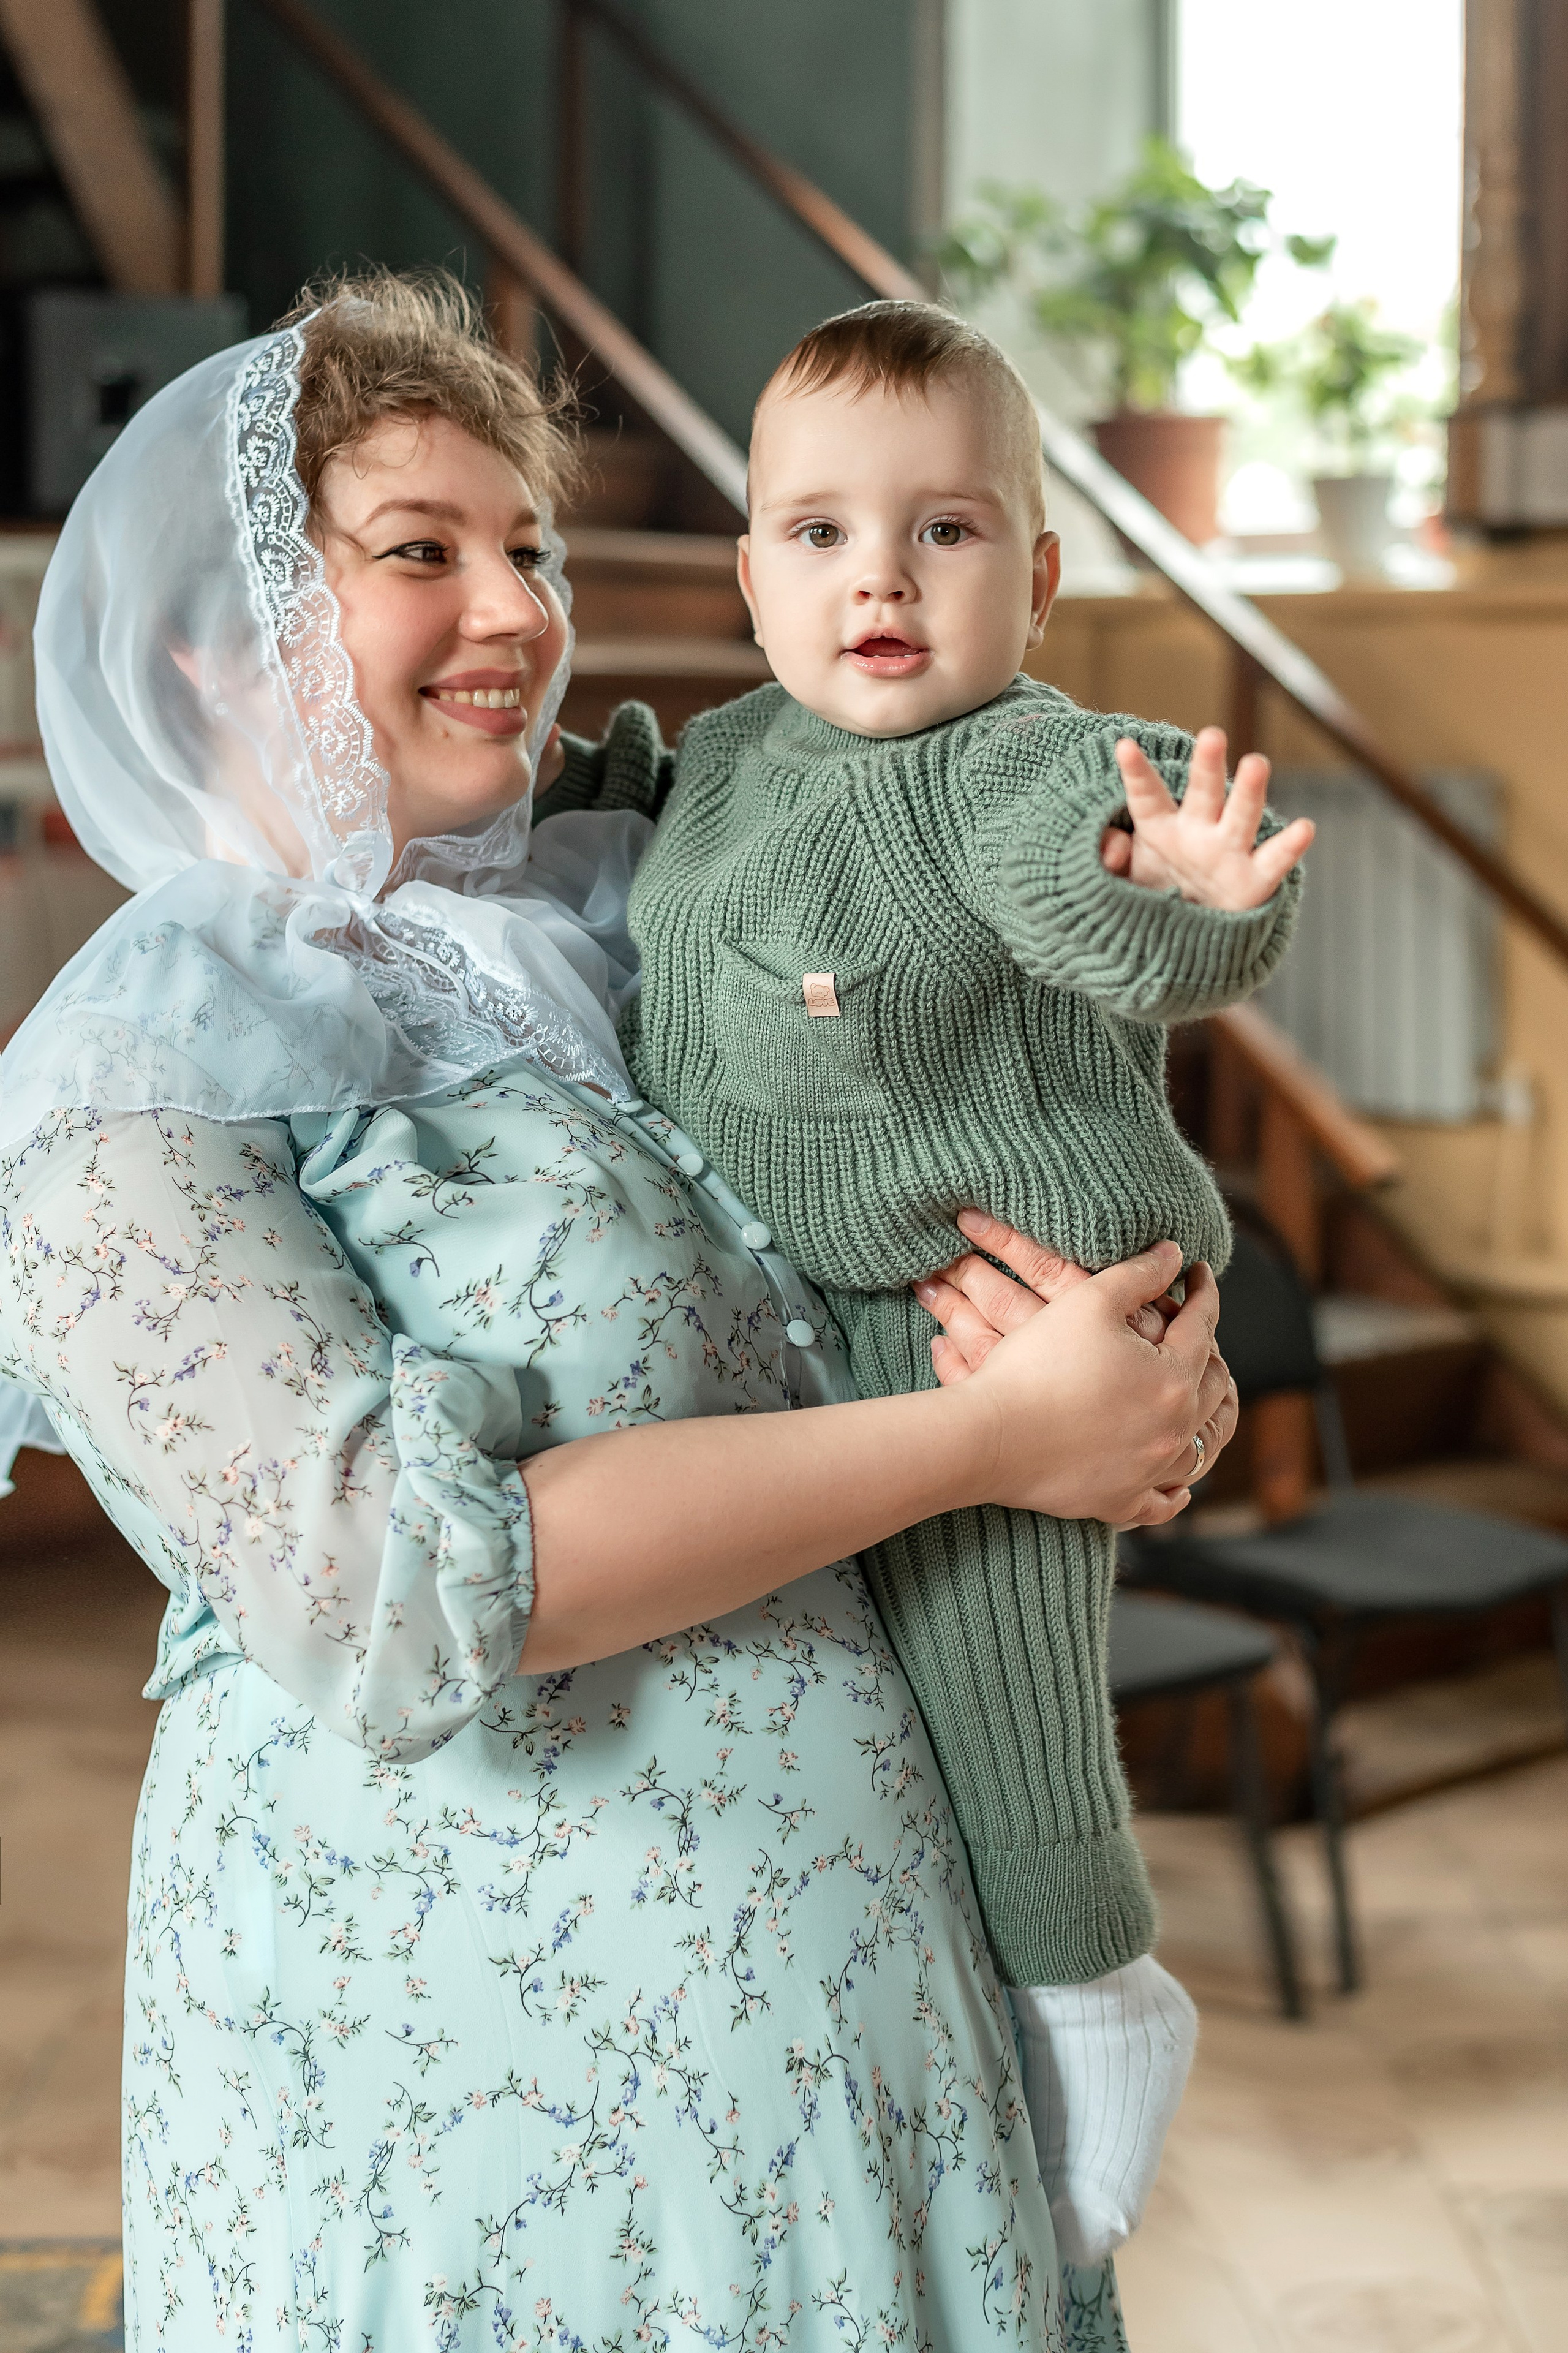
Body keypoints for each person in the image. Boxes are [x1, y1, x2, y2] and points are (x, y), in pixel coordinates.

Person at [0, 274, 1237, 2351]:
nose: (516, 610)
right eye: (421, 553)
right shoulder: (121, 1085)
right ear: (216, 636)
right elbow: (404, 1593)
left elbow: (964, 1137)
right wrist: (998, 1436)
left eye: (533, 548)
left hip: (870, 2027)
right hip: (482, 2097)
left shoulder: (618, 901)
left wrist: (1139, 1371)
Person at [547, 299, 1313, 2269]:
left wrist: (1193, 892)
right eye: (816, 534)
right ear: (748, 579)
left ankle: (1097, 2003)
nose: (877, 575)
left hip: (1002, 1303)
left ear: (1039, 580)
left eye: (945, 532)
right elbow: (634, 830)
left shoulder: (1018, 764)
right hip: (809, 1331)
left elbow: (1106, 886)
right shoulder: (727, 759)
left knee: (1007, 1727)